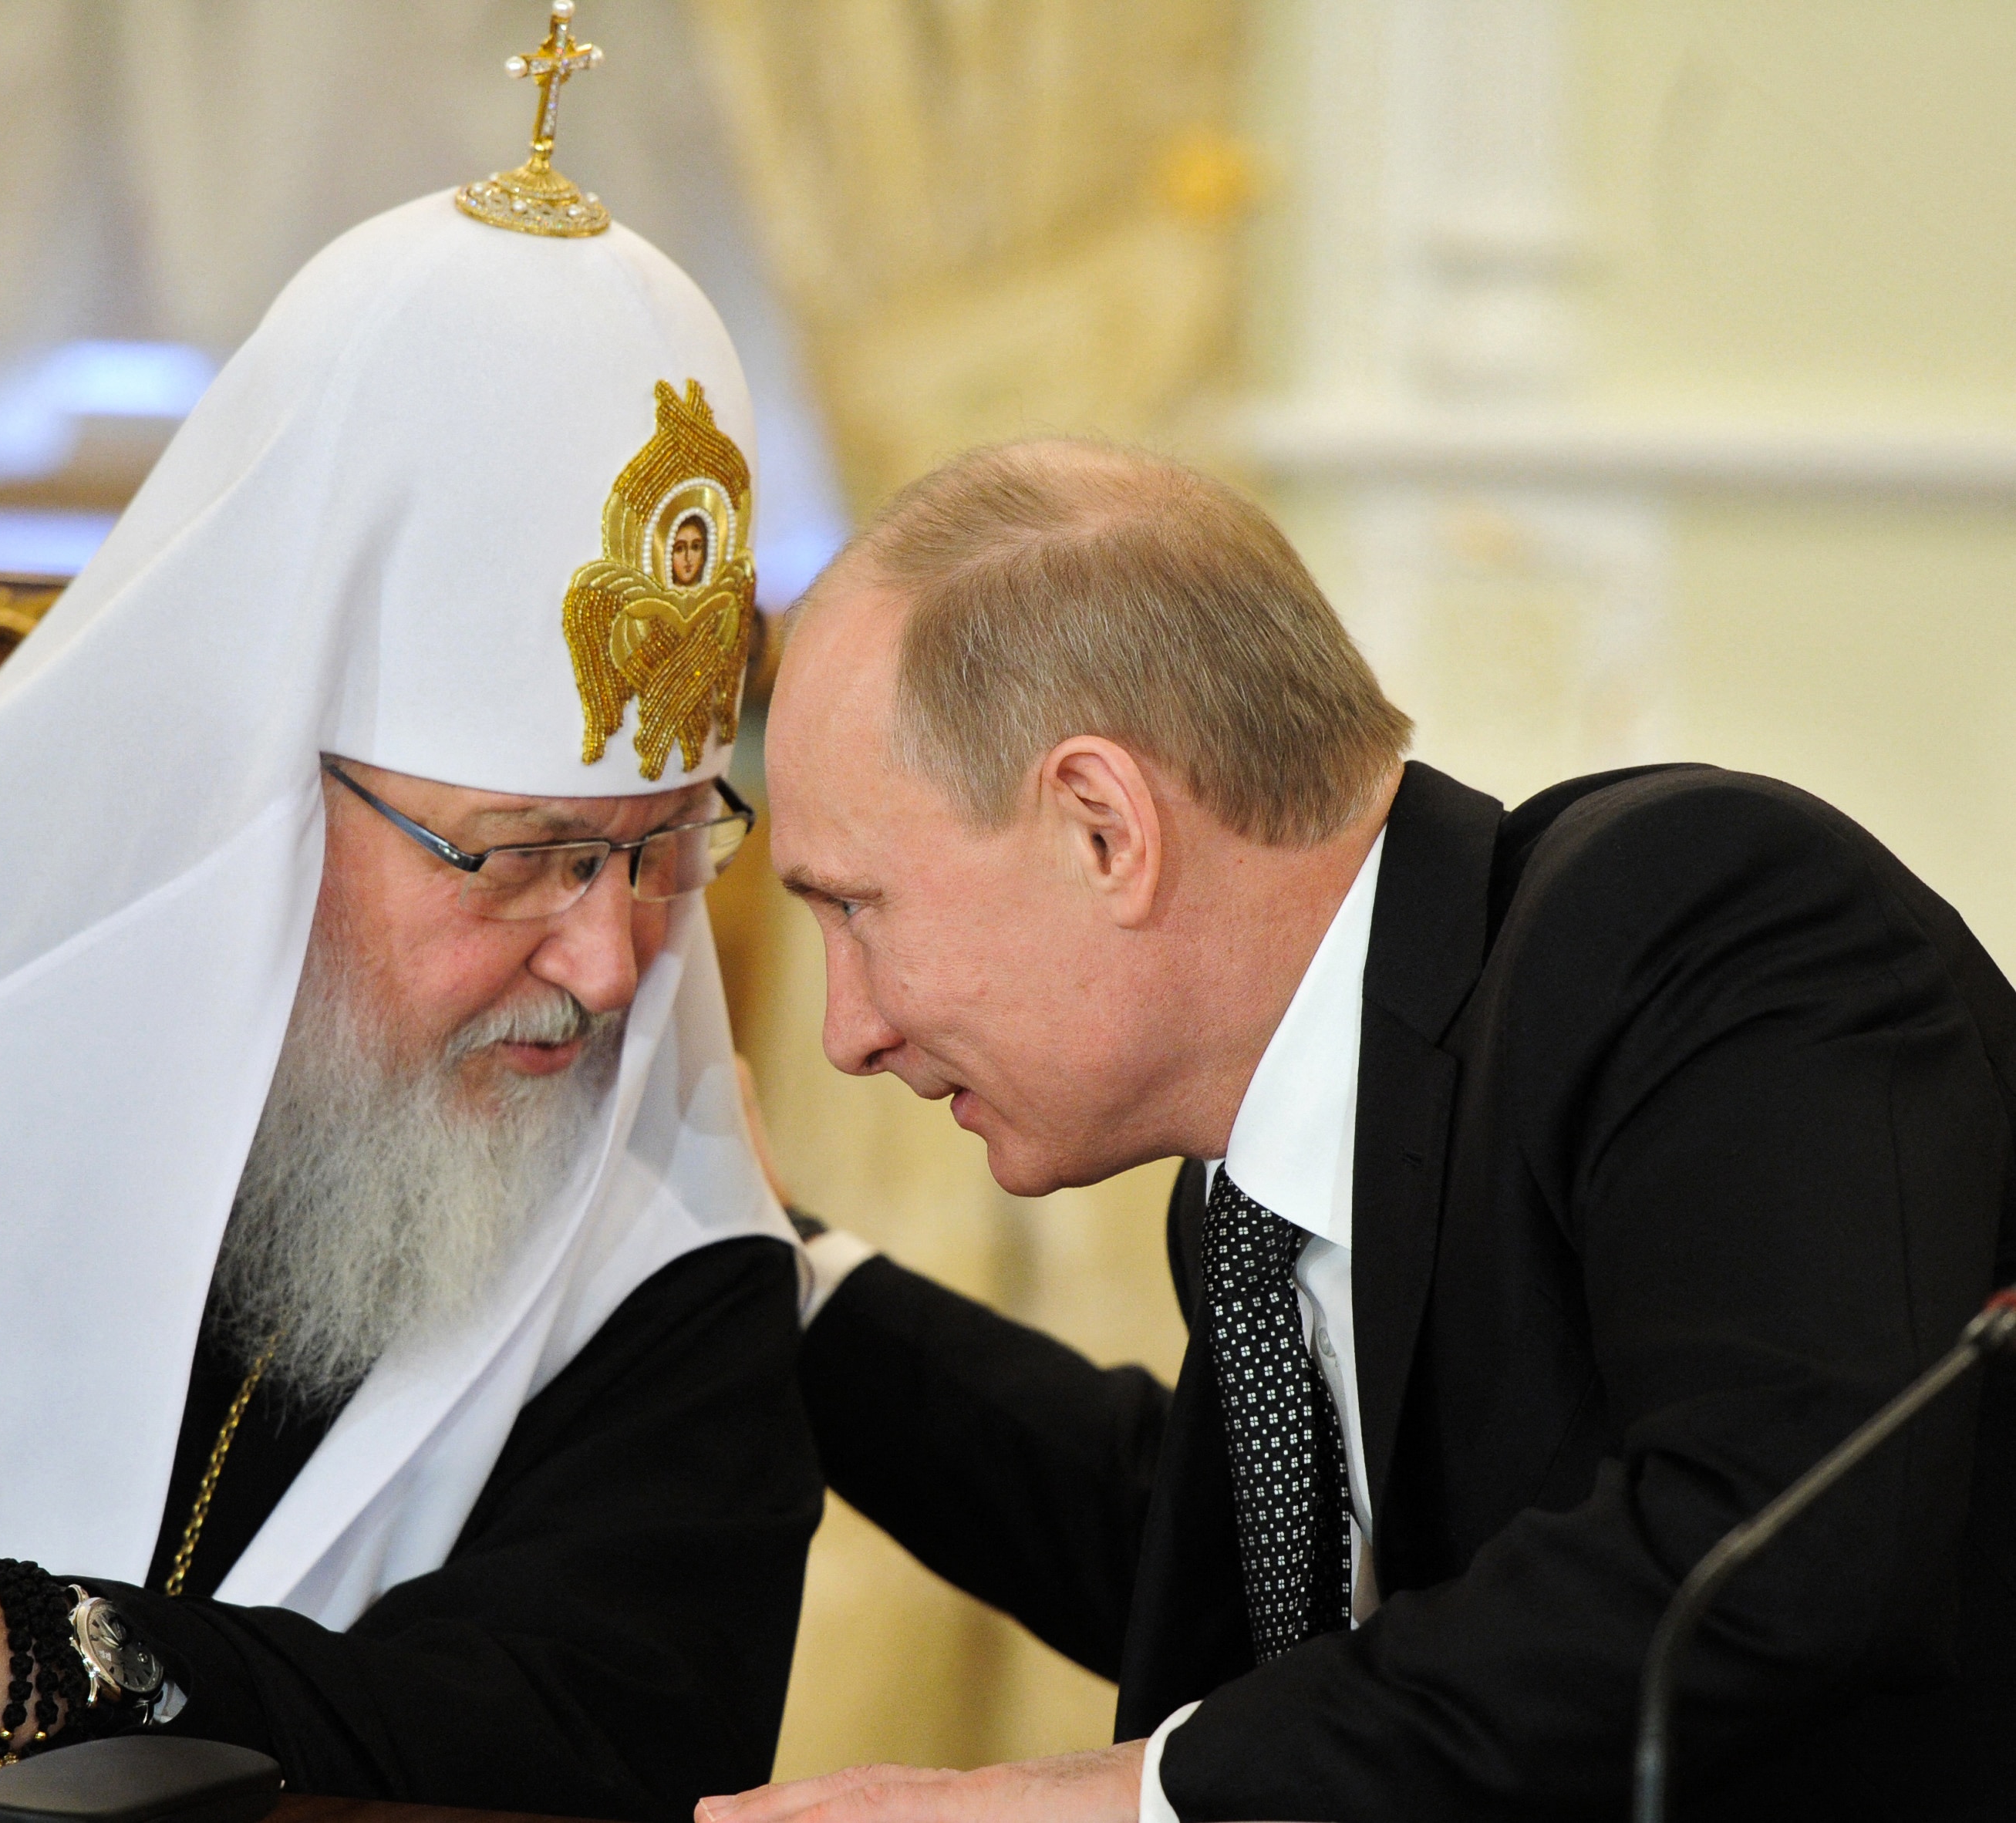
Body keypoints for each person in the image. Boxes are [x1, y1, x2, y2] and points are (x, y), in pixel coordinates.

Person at [0, 131, 822, 1823]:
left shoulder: (667, 1245)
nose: (608, 962)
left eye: (665, 843)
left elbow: (596, 1746)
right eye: (521, 854)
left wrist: (34, 1650)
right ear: (262, 791)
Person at [706, 440, 2016, 1823]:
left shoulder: (1687, 929)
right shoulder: (1250, 1194)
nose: (848, 1031)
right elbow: (1238, 1585)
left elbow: (1759, 1552)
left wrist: (1127, 1797)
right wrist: (775, 1284)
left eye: (855, 907)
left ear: (1104, 827)